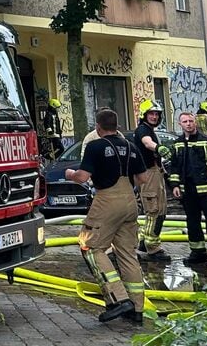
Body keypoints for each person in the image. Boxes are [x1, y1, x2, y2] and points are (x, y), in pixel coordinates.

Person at [65, 107, 147, 325]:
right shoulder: (131, 146)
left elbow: (83, 177)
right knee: (128, 254)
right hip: (130, 202)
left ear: (98, 128)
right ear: (117, 126)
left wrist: (70, 174)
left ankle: (118, 299)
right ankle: (137, 309)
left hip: (106, 201)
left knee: (90, 246)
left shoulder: (95, 146)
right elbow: (143, 178)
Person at [165, 111, 207, 266]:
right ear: (180, 124)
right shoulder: (178, 144)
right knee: (192, 223)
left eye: (190, 121)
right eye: (185, 121)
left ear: (195, 123)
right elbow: (174, 167)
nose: (188, 124)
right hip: (188, 192)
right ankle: (197, 253)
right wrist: (174, 186)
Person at [133, 100, 170, 262]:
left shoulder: (149, 129)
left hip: (155, 172)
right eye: (151, 114)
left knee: (160, 210)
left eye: (157, 114)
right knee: (154, 210)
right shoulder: (143, 130)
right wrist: (158, 148)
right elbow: (147, 143)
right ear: (144, 115)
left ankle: (144, 243)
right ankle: (152, 248)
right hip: (148, 174)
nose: (154, 117)